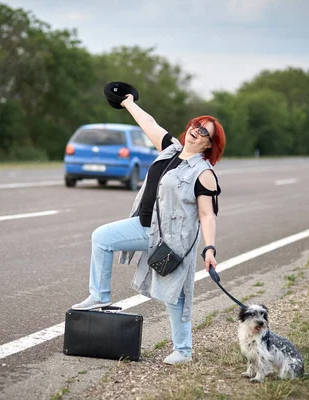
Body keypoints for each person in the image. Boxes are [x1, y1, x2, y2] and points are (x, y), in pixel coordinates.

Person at [72, 93, 226, 365]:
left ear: (208, 144)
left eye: (203, 131)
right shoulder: (169, 149)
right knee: (102, 237)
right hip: (144, 226)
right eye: (195, 125)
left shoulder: (203, 173)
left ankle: (184, 351)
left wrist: (210, 248)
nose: (195, 131)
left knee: (175, 296)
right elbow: (149, 123)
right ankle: (99, 295)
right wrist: (128, 102)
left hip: (172, 241)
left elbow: (207, 214)